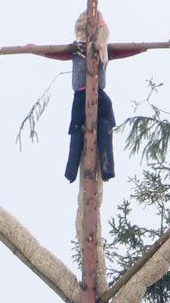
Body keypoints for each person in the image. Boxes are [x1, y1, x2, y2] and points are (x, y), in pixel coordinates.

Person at [28, 13, 145, 183]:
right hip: (81, 94)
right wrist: (36, 49)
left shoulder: (104, 50)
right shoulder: (76, 49)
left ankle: (107, 169)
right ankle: (71, 171)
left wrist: (141, 48)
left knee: (105, 126)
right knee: (76, 130)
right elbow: (56, 52)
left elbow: (124, 50)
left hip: (99, 93)